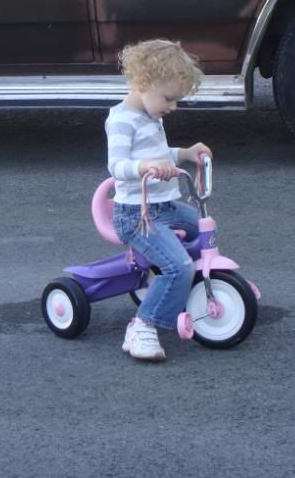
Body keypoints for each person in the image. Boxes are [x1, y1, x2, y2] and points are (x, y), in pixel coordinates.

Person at [105, 39, 212, 362]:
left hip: (163, 208)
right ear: (142, 83)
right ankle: (143, 327)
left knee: (204, 228)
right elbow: (117, 166)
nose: (173, 107)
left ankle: (183, 288)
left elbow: (159, 154)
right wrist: (144, 167)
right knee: (178, 265)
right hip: (136, 215)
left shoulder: (151, 117)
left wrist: (184, 153)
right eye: (169, 98)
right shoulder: (122, 120)